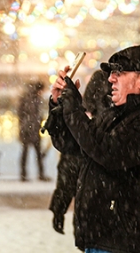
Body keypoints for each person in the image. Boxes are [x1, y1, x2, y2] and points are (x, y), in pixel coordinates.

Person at [52, 45, 140, 253]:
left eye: (119, 73)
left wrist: (74, 108)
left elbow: (109, 153)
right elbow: (70, 144)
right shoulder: (113, 115)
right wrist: (58, 106)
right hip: (98, 238)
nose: (110, 79)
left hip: (123, 243)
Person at [44, 69, 110, 235]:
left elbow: (66, 175)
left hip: (92, 215)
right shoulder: (87, 123)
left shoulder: (85, 124)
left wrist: (59, 208)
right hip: (93, 215)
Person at [18, 80, 48, 182]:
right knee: (36, 152)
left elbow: (21, 113)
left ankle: (24, 174)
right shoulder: (34, 98)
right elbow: (35, 114)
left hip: (28, 128)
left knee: (26, 152)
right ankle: (40, 173)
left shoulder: (26, 97)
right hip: (31, 128)